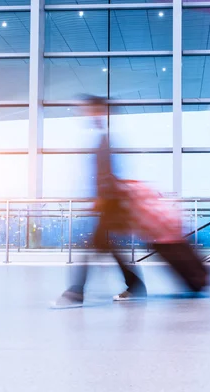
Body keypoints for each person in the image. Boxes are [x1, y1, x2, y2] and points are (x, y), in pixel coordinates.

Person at [53, 96, 147, 308]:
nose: (87, 114)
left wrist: (102, 198)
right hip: (109, 204)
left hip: (109, 205)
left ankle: (76, 293)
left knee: (89, 246)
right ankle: (134, 285)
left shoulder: (107, 139)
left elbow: (109, 174)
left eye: (91, 110)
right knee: (108, 247)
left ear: (101, 111)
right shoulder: (104, 138)